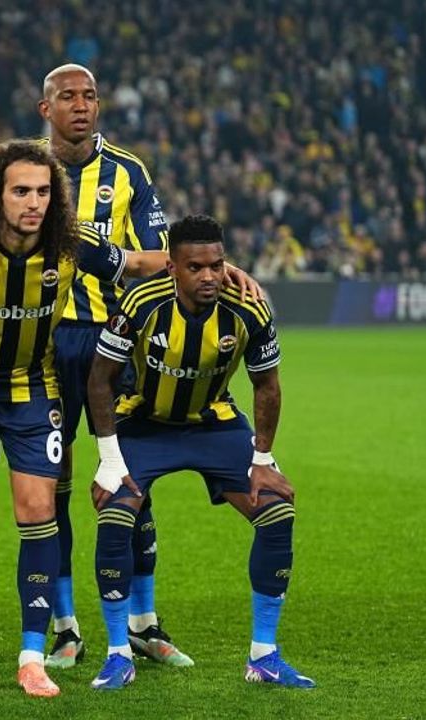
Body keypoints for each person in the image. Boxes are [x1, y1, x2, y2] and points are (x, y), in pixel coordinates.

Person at [0, 140, 222, 699]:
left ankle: (32, 656)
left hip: (30, 388)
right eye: (21, 191)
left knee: (38, 511)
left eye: (43, 192)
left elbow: (138, 263)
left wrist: (221, 268)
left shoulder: (71, 242)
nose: (34, 202)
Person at [85, 214, 314, 691]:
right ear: (172, 267)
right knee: (116, 515)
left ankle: (264, 655)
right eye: (195, 267)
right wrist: (109, 460)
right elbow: (100, 381)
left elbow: (267, 386)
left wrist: (263, 459)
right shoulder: (141, 303)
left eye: (216, 265)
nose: (209, 276)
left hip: (214, 423)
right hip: (143, 422)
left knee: (277, 512)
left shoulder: (248, 308)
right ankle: (118, 653)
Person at [36, 63, 187, 669]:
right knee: (50, 487)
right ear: (46, 108)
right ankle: (65, 627)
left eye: (90, 96)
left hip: (114, 344)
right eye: (68, 97)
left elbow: (161, 257)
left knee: (130, 482)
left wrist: (109, 257)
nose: (81, 105)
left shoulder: (128, 172)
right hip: (43, 345)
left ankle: (143, 624)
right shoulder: (24, 170)